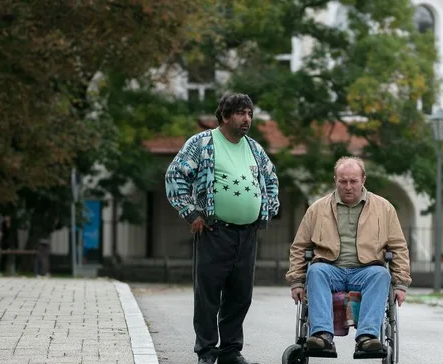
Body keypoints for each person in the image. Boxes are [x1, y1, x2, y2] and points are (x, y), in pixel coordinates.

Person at [165, 93, 280, 364]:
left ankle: (230, 351)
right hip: (214, 231)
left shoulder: (254, 148)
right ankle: (206, 351)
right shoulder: (202, 143)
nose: (247, 119)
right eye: (241, 113)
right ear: (225, 116)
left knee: (240, 295)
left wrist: (266, 210)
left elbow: (271, 179)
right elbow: (175, 175)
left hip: (247, 233)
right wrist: (191, 213)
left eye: (250, 114)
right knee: (208, 295)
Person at [285, 156, 411, 355]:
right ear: (335, 180)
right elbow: (299, 246)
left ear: (363, 180)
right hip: (330, 268)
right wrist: (296, 282)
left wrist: (401, 284)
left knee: (381, 275)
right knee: (316, 271)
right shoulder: (317, 209)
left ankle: (367, 337)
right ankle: (322, 336)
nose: (348, 186)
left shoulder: (384, 208)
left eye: (353, 181)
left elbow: (399, 247)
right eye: (343, 181)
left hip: (366, 270)